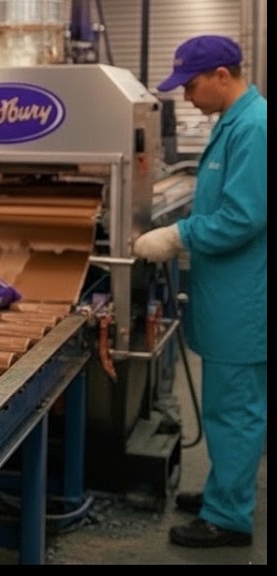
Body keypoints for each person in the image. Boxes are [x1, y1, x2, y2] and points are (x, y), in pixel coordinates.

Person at [133, 34, 266, 549]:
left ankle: (228, 518)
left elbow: (243, 217)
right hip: (228, 294)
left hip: (244, 300)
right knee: (225, 407)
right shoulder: (233, 123)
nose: (187, 98)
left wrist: (177, 236)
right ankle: (222, 493)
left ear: (222, 76)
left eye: (191, 86)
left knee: (234, 410)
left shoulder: (253, 128)